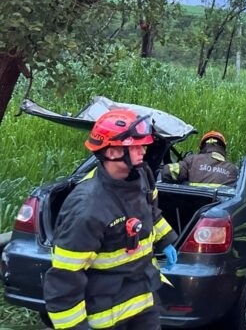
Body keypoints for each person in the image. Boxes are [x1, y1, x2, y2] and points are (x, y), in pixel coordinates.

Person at [44, 109, 178, 329]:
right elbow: (65, 279)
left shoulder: (142, 175)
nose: (144, 149)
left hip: (144, 299)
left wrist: (166, 240)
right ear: (114, 152)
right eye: (135, 145)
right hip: (107, 316)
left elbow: (150, 211)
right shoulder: (88, 208)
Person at [161, 130, 238, 187]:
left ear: (202, 147)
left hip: (190, 207)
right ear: (223, 149)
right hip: (220, 208)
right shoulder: (232, 169)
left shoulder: (191, 160)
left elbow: (168, 172)